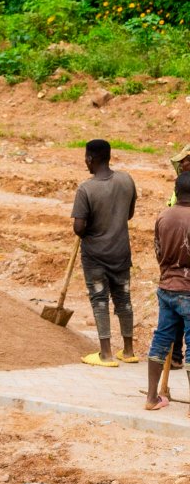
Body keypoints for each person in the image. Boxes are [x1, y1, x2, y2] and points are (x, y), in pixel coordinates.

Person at [73, 139, 139, 366]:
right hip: (121, 253)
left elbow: (78, 228)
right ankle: (129, 351)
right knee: (124, 300)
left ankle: (106, 354)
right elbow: (128, 214)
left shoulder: (86, 189)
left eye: (86, 159)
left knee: (100, 300)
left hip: (96, 257)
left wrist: (91, 226)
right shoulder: (126, 180)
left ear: (90, 159)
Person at [147, 172, 190, 410]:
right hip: (188, 289)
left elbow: (158, 252)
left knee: (161, 339)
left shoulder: (164, 216)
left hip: (167, 287)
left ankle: (152, 397)